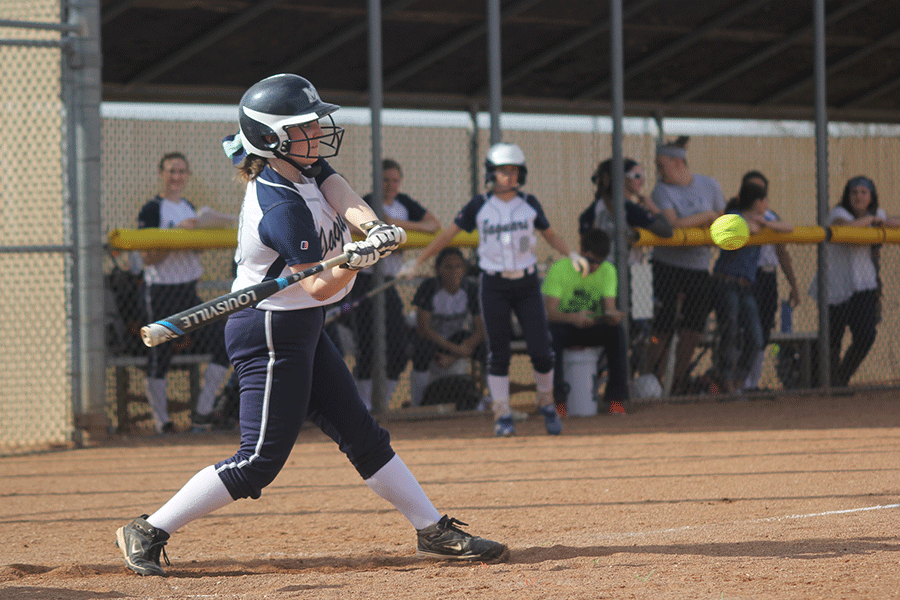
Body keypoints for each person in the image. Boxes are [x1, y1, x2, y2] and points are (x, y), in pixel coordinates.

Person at [115, 74, 507, 577]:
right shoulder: (280, 205)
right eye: (303, 127)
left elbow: (338, 187)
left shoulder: (302, 166)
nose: (317, 133)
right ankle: (148, 529)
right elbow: (320, 287)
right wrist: (356, 260)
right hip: (270, 331)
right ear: (273, 139)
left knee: (362, 434)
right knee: (258, 460)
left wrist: (371, 227)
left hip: (301, 326)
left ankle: (432, 530)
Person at [399, 142, 589, 437]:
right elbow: (447, 234)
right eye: (502, 171)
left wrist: (571, 254)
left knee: (541, 350)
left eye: (513, 170)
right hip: (494, 284)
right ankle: (502, 414)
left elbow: (550, 234)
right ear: (491, 173)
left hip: (526, 283)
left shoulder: (530, 203)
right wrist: (417, 261)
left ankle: (547, 404)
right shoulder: (479, 205)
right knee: (497, 351)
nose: (508, 176)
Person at [137, 152, 231, 434]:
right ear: (161, 174)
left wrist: (199, 232)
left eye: (181, 172)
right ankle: (162, 423)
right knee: (159, 356)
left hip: (189, 293)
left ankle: (201, 413)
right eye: (171, 171)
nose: (177, 177)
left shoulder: (189, 207)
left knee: (224, 341)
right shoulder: (152, 209)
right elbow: (148, 258)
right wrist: (177, 234)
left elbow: (196, 250)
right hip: (162, 294)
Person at [351, 159, 441, 410]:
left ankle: (382, 404)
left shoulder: (405, 204)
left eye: (394, 180)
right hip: (364, 282)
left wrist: (397, 225)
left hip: (388, 282)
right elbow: (349, 225)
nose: (390, 185)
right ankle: (364, 407)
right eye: (385, 180)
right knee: (367, 348)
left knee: (399, 349)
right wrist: (387, 226)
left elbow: (434, 225)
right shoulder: (367, 201)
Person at [644, 137, 726, 394]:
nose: (658, 172)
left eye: (662, 166)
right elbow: (673, 225)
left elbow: (723, 223)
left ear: (678, 163)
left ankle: (678, 380)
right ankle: (650, 380)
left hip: (698, 267)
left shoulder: (709, 185)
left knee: (693, 328)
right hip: (666, 266)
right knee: (662, 328)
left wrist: (708, 220)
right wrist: (707, 217)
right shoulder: (661, 191)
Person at [810, 175, 900, 387]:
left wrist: (882, 220)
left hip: (864, 285)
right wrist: (870, 220)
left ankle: (841, 377)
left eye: (863, 193)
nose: (858, 197)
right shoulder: (838, 213)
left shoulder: (878, 214)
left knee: (866, 335)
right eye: (854, 192)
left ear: (871, 197)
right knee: (833, 338)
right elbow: (848, 233)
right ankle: (825, 383)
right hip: (836, 287)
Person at [712, 182, 794, 396]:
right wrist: (755, 224)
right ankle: (726, 382)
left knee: (757, 337)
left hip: (746, 286)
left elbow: (790, 228)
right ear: (758, 202)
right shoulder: (732, 216)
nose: (766, 205)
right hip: (726, 282)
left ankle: (739, 381)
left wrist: (767, 224)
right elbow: (739, 228)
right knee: (729, 332)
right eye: (764, 201)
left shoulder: (764, 219)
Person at [542, 229, 630, 414]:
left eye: (599, 262)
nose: (594, 267)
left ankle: (615, 400)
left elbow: (608, 308)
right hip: (565, 326)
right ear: (580, 252)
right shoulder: (560, 269)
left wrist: (610, 316)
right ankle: (558, 403)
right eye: (590, 260)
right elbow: (549, 313)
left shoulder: (608, 271)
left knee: (616, 332)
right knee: (551, 335)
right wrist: (574, 318)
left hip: (590, 326)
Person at [735, 171, 801, 391]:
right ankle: (738, 382)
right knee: (746, 330)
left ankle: (752, 383)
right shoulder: (735, 214)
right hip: (745, 276)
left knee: (763, 329)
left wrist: (793, 284)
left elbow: (782, 250)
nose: (757, 196)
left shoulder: (771, 216)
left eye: (761, 192)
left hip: (767, 276)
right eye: (752, 190)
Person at [409, 247, 486, 407]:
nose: (453, 272)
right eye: (448, 267)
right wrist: (457, 349)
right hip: (434, 339)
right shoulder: (430, 287)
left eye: (458, 267)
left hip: (455, 339)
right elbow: (424, 329)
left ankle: (488, 400)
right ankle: (419, 404)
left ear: (464, 269)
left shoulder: (470, 289)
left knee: (486, 348)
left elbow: (481, 330)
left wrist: (454, 356)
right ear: (438, 269)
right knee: (421, 350)